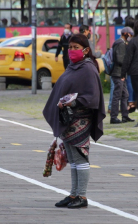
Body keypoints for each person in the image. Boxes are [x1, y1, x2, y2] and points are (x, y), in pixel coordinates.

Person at [43, 34, 105, 209]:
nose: (71, 51)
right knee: (72, 158)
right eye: (69, 47)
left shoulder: (88, 68)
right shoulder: (73, 66)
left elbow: (92, 97)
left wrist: (73, 102)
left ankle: (82, 196)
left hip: (80, 120)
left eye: (75, 47)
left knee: (80, 158)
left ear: (85, 50)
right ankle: (74, 194)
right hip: (68, 119)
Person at [110, 27, 134, 124]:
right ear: (126, 34)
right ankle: (113, 117)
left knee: (125, 95)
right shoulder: (120, 44)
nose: (130, 37)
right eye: (130, 35)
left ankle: (125, 115)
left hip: (121, 73)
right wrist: (128, 62)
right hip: (118, 73)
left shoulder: (121, 43)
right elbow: (119, 59)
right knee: (117, 95)